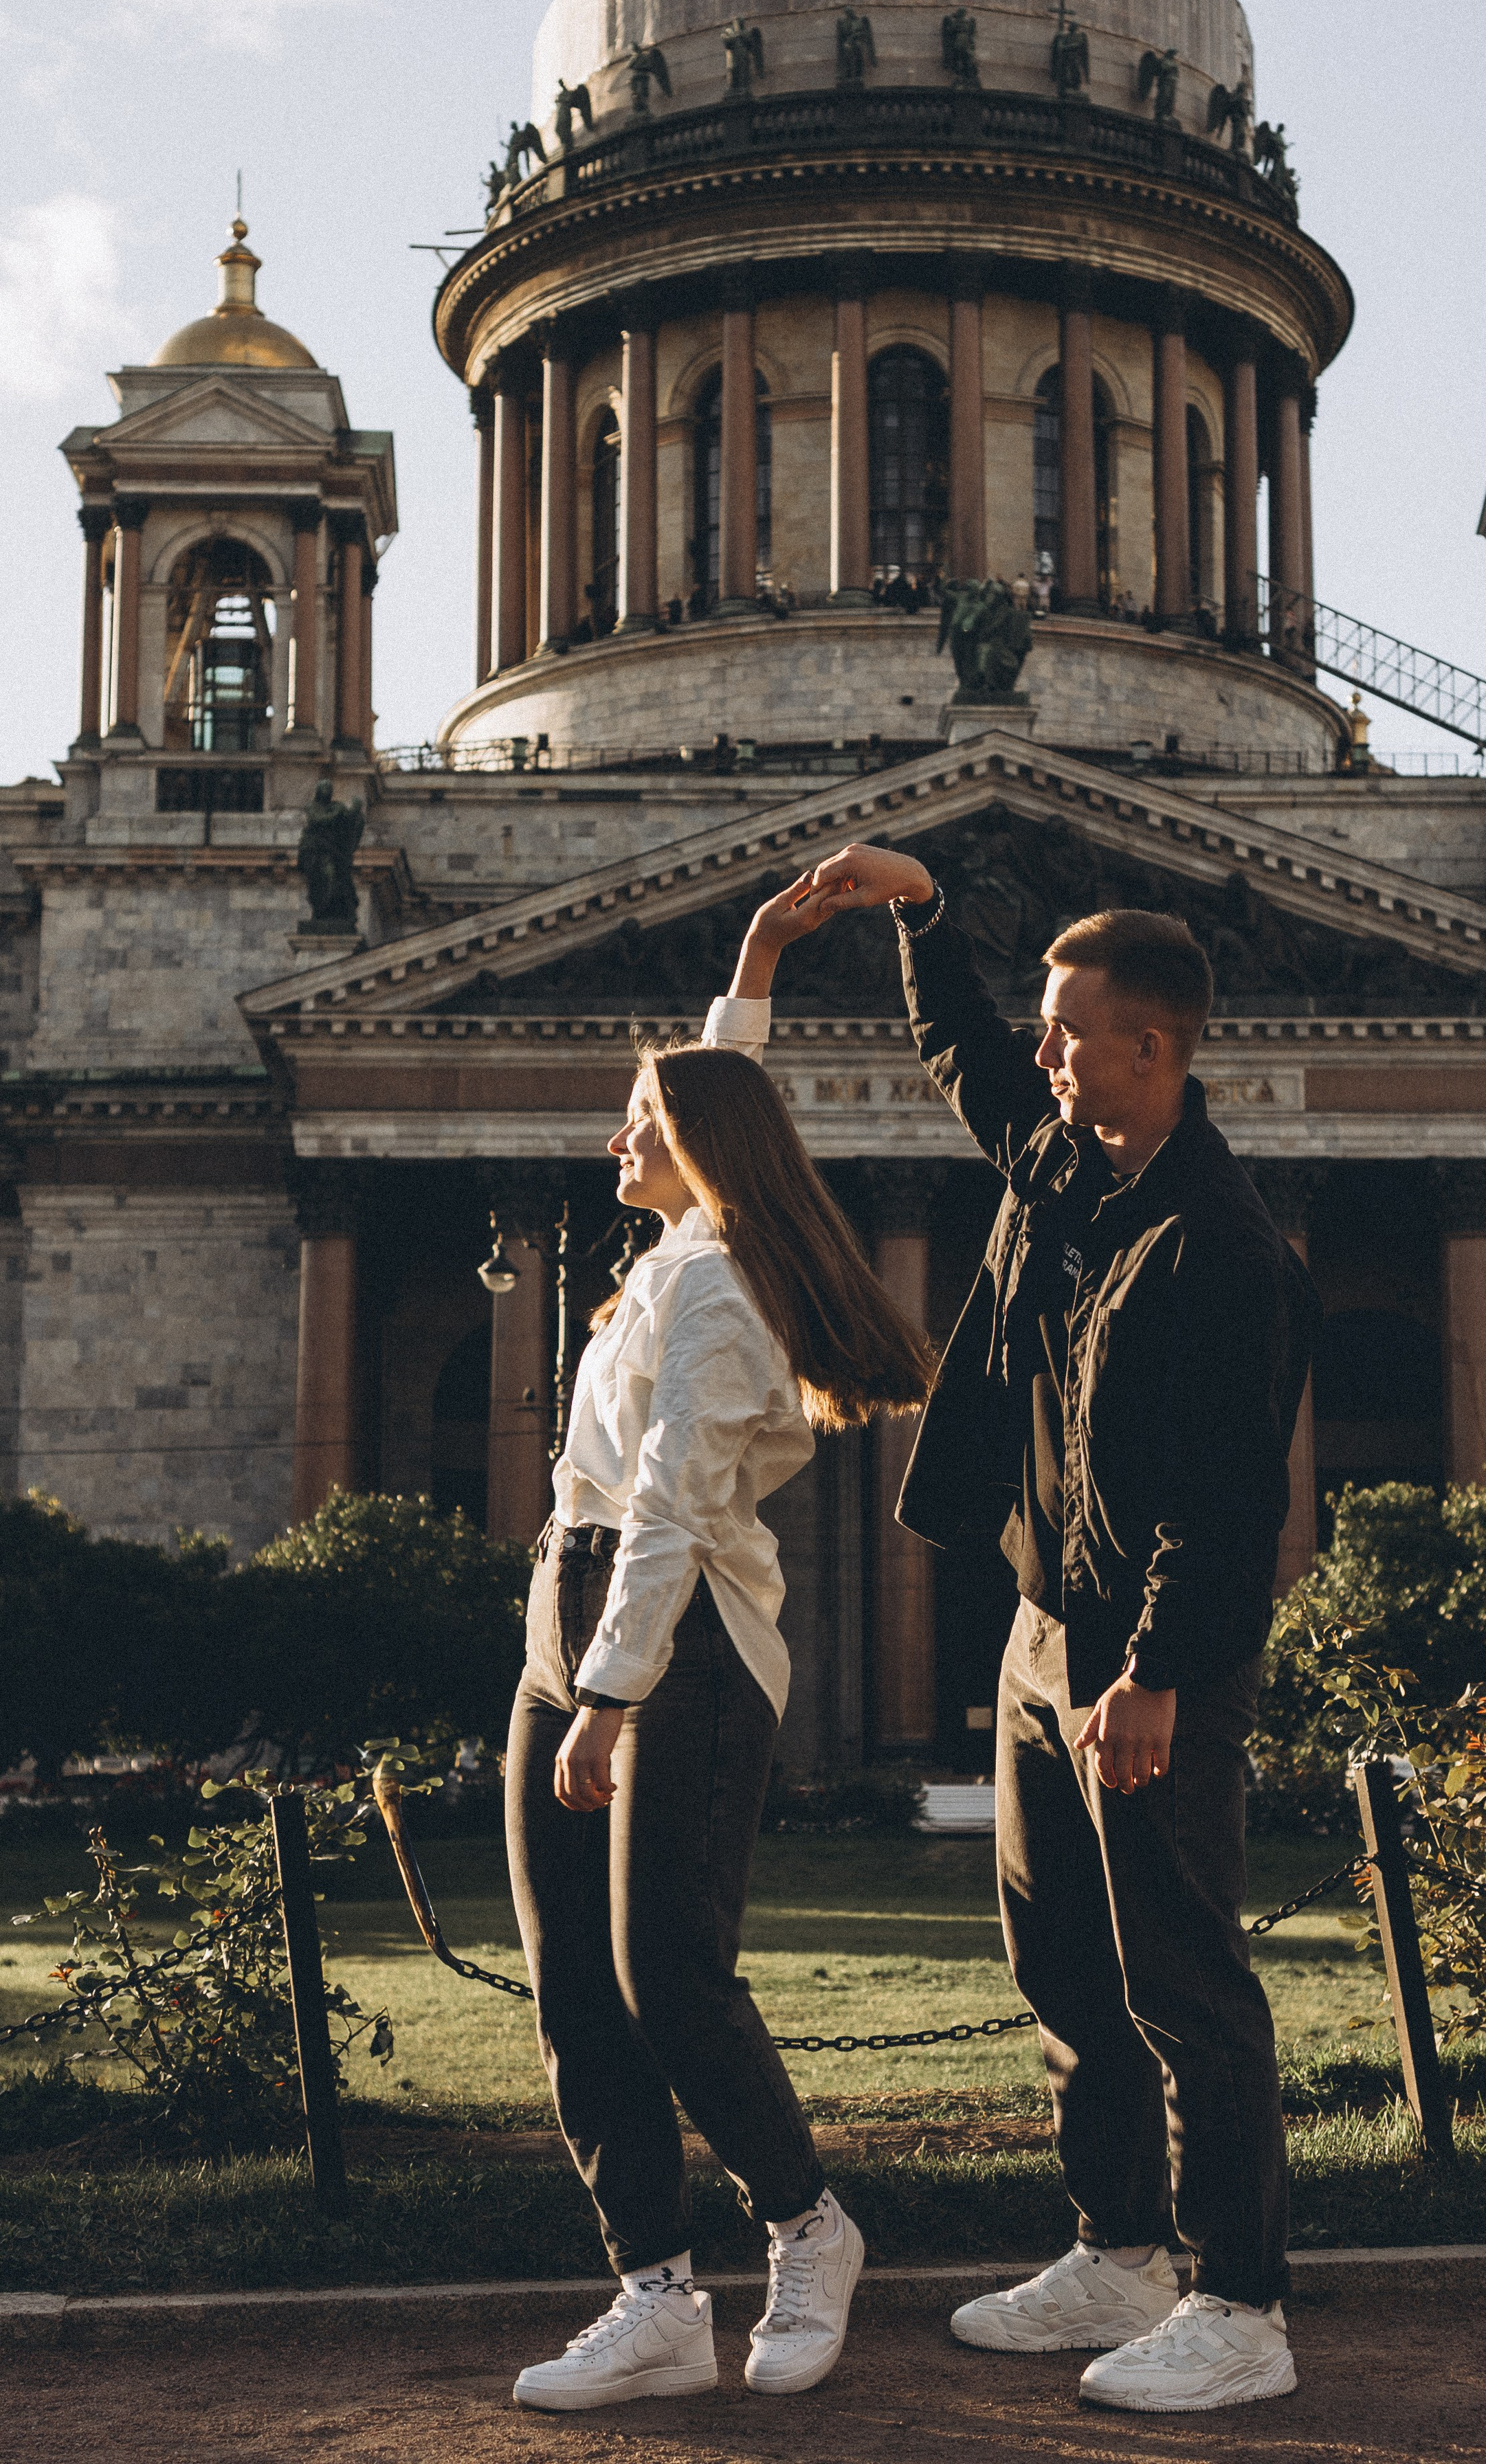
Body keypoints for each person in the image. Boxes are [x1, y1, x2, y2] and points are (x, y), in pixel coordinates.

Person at [802, 843, 1320, 2417]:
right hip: (1043, 1629)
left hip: (1142, 1659)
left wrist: (1155, 1673)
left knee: (1181, 1978)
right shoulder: (1060, 1166)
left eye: (1068, 1029)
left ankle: (1239, 2301)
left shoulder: (1222, 1247)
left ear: (1149, 1048)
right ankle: (1115, 2251)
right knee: (1064, 1970)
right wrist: (921, 917)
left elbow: (1229, 1501)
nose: (1042, 1051)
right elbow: (960, 1050)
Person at [508, 872, 933, 2415]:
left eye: (636, 1118)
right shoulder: (694, 1239)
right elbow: (720, 1081)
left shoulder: (715, 1293)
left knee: (668, 1975)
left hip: (670, 1639)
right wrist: (758, 955)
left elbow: (676, 1517)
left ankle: (809, 2228)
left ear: (684, 1148)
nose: (614, 1135)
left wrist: (607, 1700)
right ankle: (654, 2298)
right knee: (571, 1986)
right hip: (575, 1615)